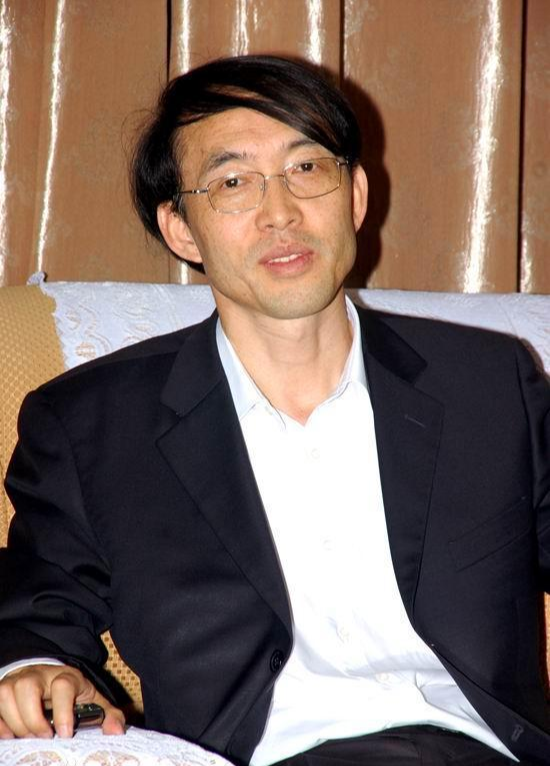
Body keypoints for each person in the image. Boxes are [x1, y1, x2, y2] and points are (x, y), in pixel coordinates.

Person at [0, 55, 549, 766]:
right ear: (181, 230)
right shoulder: (93, 424)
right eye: (233, 183)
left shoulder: (488, 385)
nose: (281, 212)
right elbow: (36, 607)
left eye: (306, 169)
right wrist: (35, 667)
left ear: (355, 196)